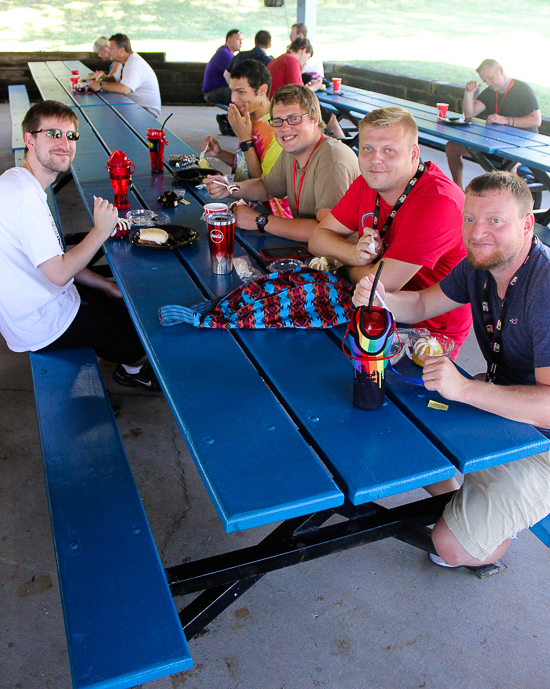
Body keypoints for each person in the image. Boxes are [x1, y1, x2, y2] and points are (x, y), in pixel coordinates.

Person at [353, 170, 550, 568]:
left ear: (528, 224)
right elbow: (424, 305)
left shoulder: (544, 290)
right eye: (470, 218)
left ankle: (495, 506)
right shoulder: (482, 263)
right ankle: (478, 487)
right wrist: (382, 297)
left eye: (496, 220)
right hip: (498, 403)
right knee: (398, 430)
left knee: (452, 548)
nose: (478, 233)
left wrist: (465, 390)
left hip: (542, 440)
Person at [0, 100, 159, 390]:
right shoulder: (24, 199)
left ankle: (123, 357)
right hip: (43, 324)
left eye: (70, 136)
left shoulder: (21, 183)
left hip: (42, 300)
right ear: (29, 139)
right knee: (143, 340)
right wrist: (101, 230)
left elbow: (55, 258)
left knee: (124, 307)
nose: (64, 143)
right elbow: (59, 272)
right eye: (53, 134)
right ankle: (132, 371)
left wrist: (105, 285)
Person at [309, 107, 472, 351]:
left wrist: (343, 264)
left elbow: (379, 286)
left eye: (389, 150)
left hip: (425, 335)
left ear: (414, 154)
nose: (375, 159)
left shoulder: (438, 202)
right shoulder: (368, 181)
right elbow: (317, 239)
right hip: (365, 307)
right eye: (367, 149)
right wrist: (354, 254)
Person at [204, 84, 360, 242]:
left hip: (343, 261)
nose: (285, 128)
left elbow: (328, 232)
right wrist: (229, 188)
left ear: (315, 119)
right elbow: (267, 187)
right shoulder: (293, 151)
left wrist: (260, 221)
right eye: (278, 121)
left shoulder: (332, 159)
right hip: (312, 250)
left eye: (294, 119)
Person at [201, 60, 291, 218]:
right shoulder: (249, 118)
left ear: (262, 90)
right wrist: (220, 153)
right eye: (232, 91)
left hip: (268, 217)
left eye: (241, 92)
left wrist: (245, 139)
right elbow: (246, 164)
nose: (234, 98)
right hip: (242, 205)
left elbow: (264, 186)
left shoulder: (277, 129)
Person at [446, 59, 542, 190]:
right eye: (486, 81)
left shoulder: (522, 89)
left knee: (508, 163)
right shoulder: (491, 91)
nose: (489, 83)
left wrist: (505, 120)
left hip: (523, 146)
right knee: (452, 147)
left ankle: (510, 201)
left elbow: (536, 120)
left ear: (501, 70)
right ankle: (458, 190)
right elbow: (469, 113)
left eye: (490, 78)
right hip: (494, 143)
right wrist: (469, 93)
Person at [268, 38, 345, 139]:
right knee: (330, 118)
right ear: (303, 51)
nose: (305, 62)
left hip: (275, 104)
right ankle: (345, 147)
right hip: (287, 106)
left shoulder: (278, 59)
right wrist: (315, 87)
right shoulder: (292, 60)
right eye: (307, 57)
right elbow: (299, 93)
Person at [88, 34, 161, 118]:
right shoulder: (125, 62)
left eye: (111, 49)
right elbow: (115, 79)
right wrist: (102, 79)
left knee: (106, 115)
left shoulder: (133, 64)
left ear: (121, 50)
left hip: (146, 110)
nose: (109, 51)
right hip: (134, 105)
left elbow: (124, 89)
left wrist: (101, 85)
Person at [202, 29, 243, 106]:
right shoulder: (226, 55)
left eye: (241, 40)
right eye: (238, 39)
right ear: (229, 40)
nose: (241, 43)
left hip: (216, 90)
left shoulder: (224, 51)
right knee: (242, 93)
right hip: (213, 92)